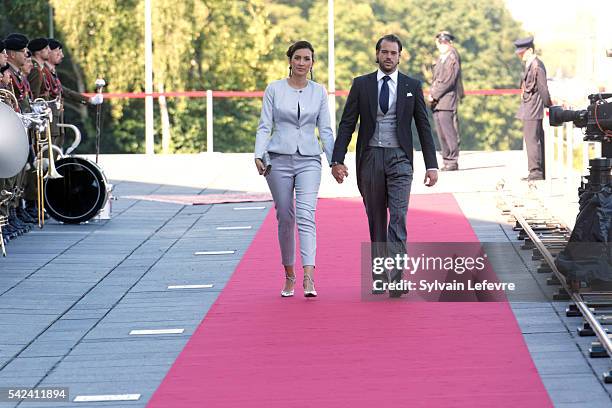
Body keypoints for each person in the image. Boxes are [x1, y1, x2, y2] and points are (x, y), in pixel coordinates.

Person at [331, 34, 438, 298]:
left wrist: (431, 165)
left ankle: (398, 276)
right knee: (376, 219)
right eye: (384, 52)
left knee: (399, 216)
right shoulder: (361, 85)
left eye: (393, 53)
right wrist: (337, 158)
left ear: (400, 56)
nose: (389, 57)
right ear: (377, 54)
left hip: (400, 158)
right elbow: (347, 124)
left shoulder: (412, 85)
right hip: (370, 158)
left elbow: (423, 127)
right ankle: (380, 275)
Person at [254, 40, 334, 298]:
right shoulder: (274, 89)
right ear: (290, 61)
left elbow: (325, 130)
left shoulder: (319, 92)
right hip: (278, 158)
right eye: (297, 58)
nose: (301, 63)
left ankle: (309, 277)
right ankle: (289, 275)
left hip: (309, 158)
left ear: (312, 63)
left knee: (306, 215)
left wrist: (335, 161)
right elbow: (265, 125)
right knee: (285, 216)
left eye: (307, 58)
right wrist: (258, 154)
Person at [514, 36, 552, 181]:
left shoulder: (537, 65)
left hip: (533, 107)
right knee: (532, 139)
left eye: (522, 52)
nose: (520, 55)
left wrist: (549, 105)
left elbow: (542, 88)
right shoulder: (531, 63)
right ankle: (536, 170)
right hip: (529, 106)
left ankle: (536, 171)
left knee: (532, 139)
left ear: (530, 50)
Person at [428, 31, 464, 171]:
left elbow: (448, 81)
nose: (443, 45)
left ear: (450, 44)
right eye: (440, 43)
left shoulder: (452, 58)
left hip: (446, 100)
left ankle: (452, 160)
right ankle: (446, 159)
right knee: (441, 132)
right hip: (439, 101)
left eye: (445, 43)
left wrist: (434, 94)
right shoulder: (442, 58)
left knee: (449, 132)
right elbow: (436, 79)